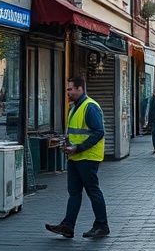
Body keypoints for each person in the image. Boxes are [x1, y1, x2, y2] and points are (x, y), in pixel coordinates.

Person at [45, 76, 109, 239]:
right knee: (74, 192)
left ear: (80, 89)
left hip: (87, 157)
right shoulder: (74, 107)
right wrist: (66, 144)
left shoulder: (90, 107)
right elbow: (75, 132)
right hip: (75, 157)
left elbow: (98, 132)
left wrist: (78, 147)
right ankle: (68, 226)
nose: (67, 92)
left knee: (92, 190)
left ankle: (102, 225)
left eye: (70, 89)